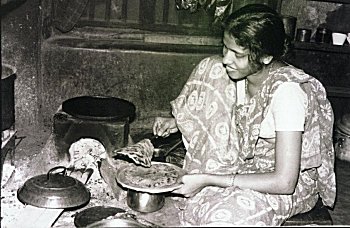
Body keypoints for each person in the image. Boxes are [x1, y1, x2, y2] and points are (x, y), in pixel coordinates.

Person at [152, 3, 336, 226]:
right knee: (211, 67)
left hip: (280, 182)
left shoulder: (287, 94)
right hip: (242, 162)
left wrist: (209, 179)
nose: (227, 59)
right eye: (225, 48)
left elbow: (285, 182)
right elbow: (223, 111)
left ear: (266, 57)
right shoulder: (237, 73)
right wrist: (180, 122)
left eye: (238, 54)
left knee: (223, 217)